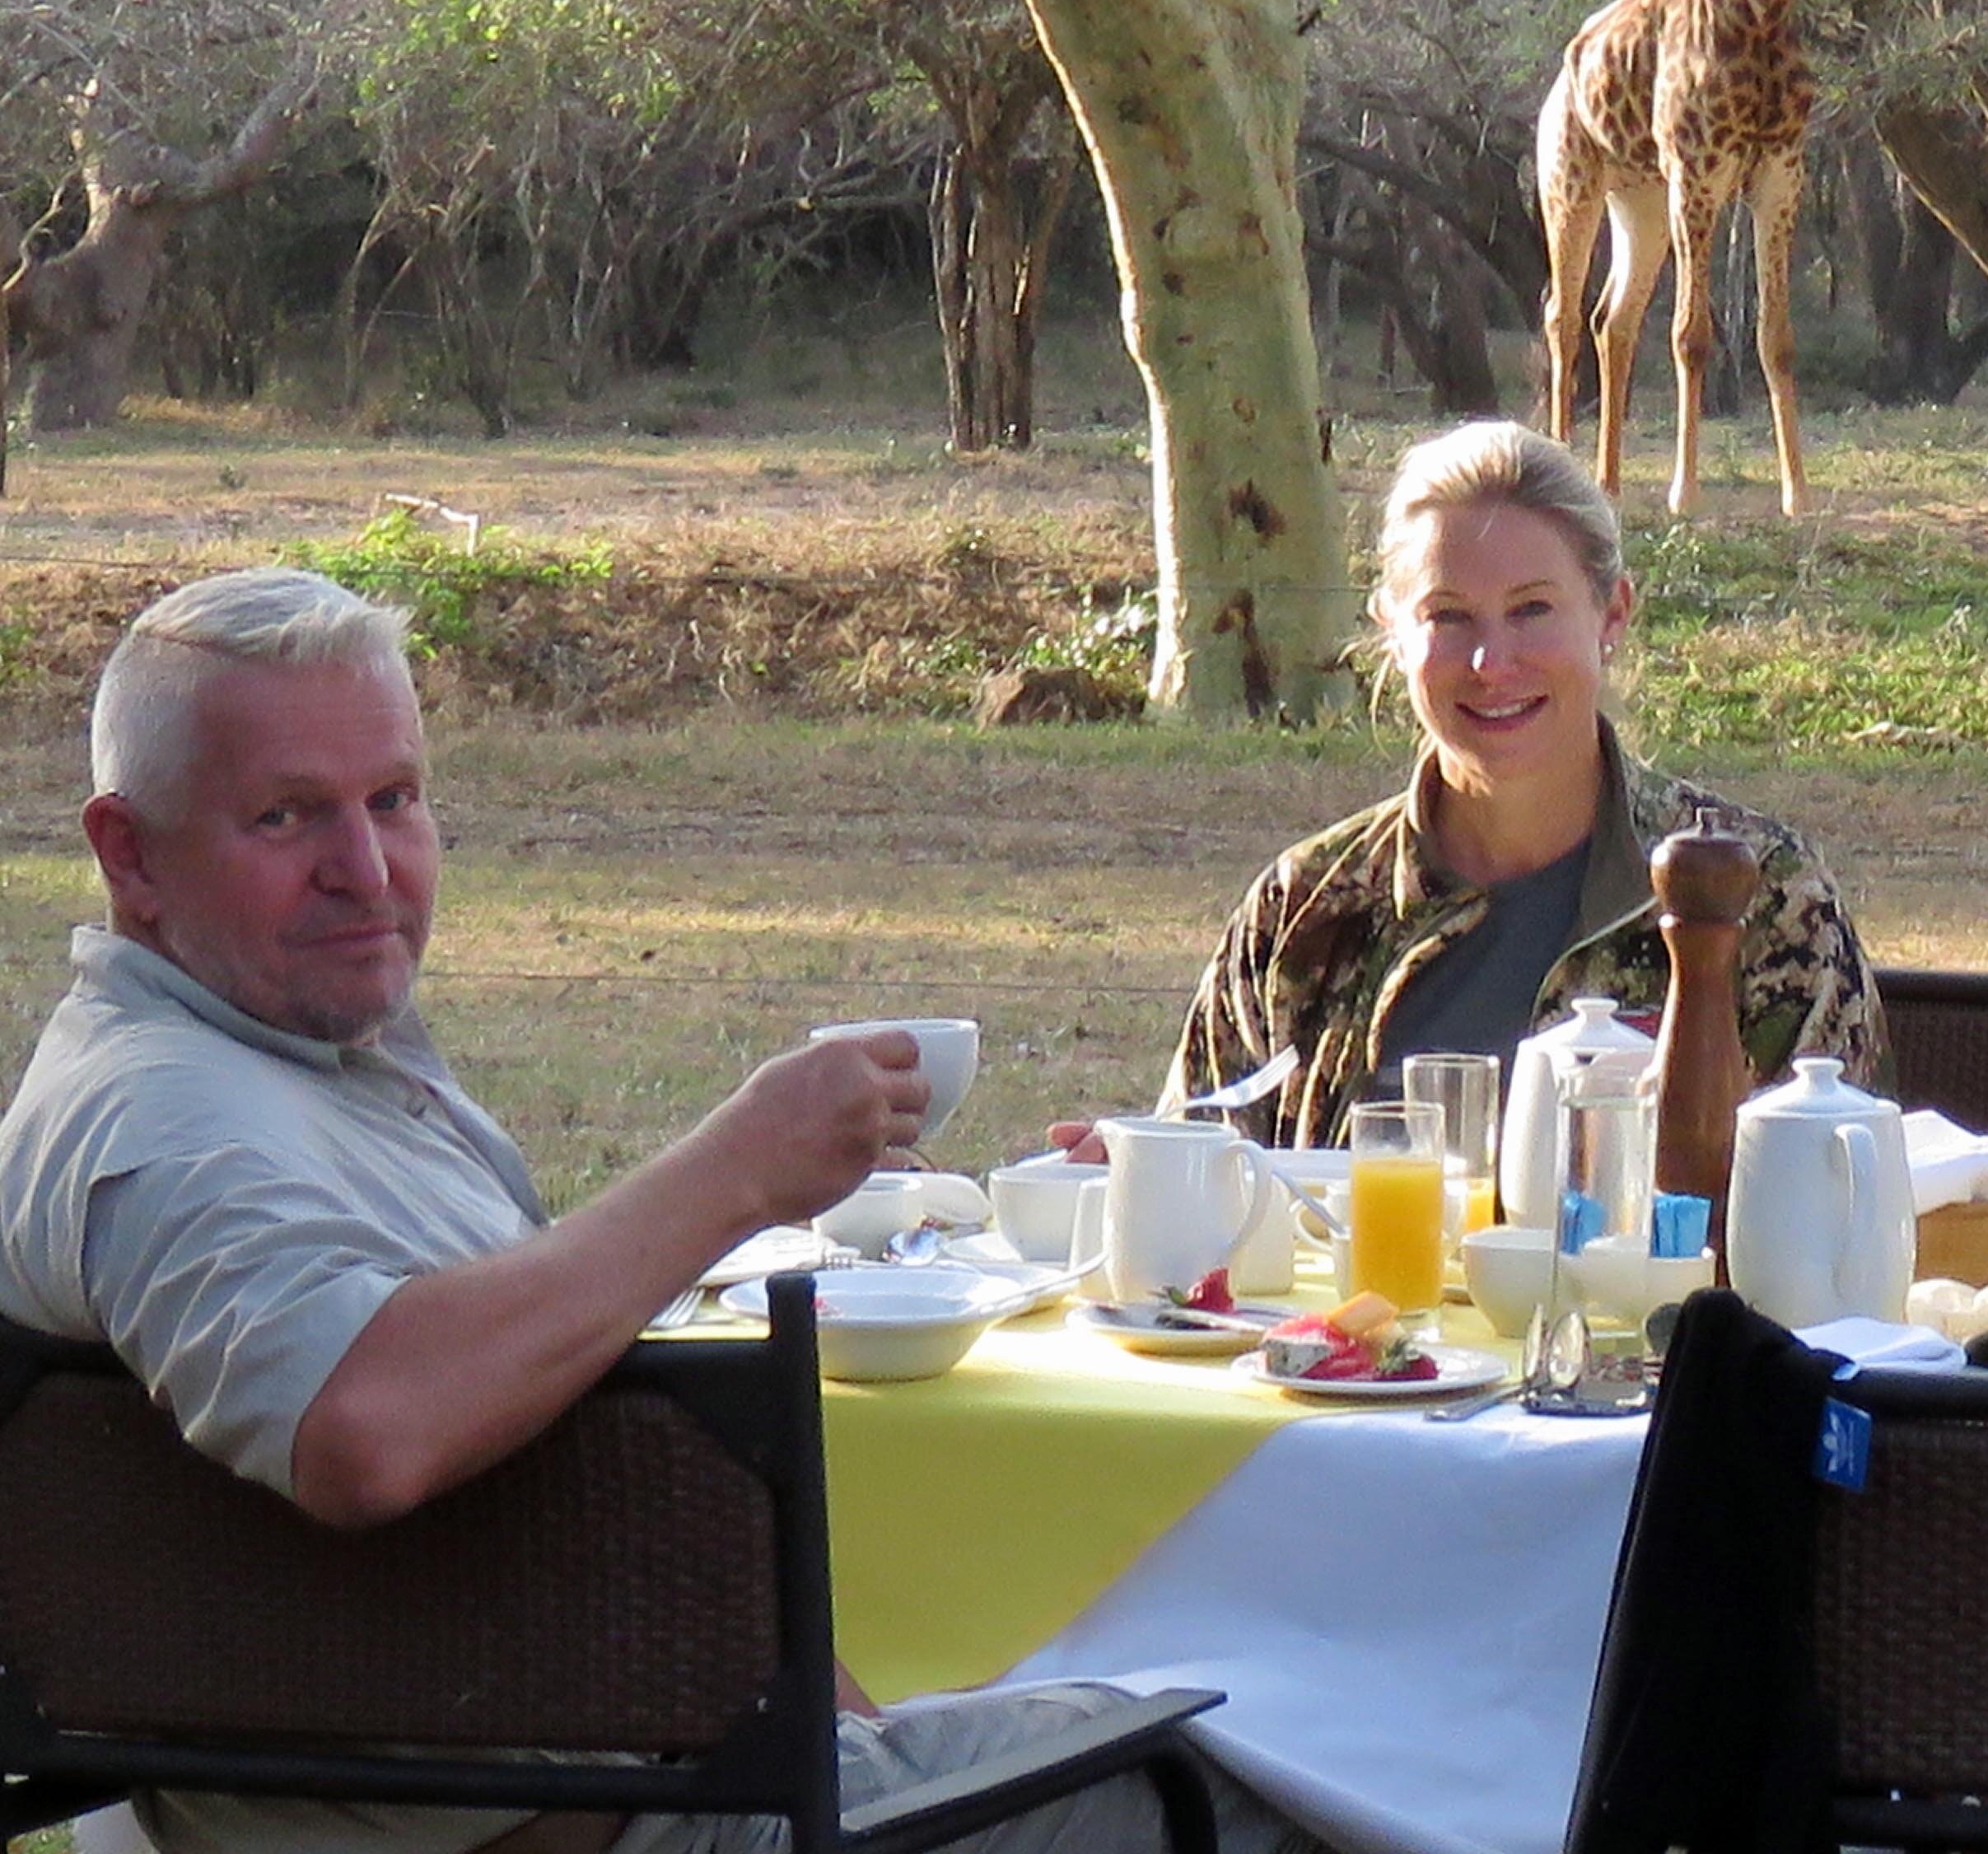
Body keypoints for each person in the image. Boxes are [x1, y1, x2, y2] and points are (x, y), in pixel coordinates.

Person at [0, 566, 1281, 1854]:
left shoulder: (280, 1056)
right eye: (285, 818)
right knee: (1272, 1768)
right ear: (129, 855)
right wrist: (732, 1170)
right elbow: (366, 1428)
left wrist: (853, 1750)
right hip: (608, 1826)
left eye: (394, 801)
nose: (365, 869)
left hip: (670, 1764)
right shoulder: (163, 1128)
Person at [1155, 420, 1882, 1147]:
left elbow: (1832, 1197)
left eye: (1532, 609)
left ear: (1613, 613)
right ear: (1393, 633)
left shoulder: (1753, 893)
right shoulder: (1305, 911)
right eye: (1448, 616)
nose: (1491, 662)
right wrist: (1121, 1174)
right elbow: (1199, 1187)